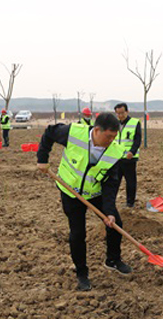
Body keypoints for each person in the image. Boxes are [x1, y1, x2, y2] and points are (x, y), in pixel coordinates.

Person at [36, 113, 132, 291]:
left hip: (95, 192)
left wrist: (109, 211)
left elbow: (111, 184)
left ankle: (113, 260)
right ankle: (82, 273)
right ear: (96, 131)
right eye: (108, 136)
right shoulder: (73, 133)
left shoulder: (115, 151)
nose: (111, 140)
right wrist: (42, 159)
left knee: (115, 223)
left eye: (114, 137)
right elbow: (49, 132)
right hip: (70, 191)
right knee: (78, 233)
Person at [114, 103, 142, 208]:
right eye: (118, 113)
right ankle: (112, 201)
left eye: (122, 113)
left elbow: (137, 140)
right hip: (117, 158)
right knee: (115, 181)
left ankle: (130, 203)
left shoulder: (134, 123)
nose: (120, 115)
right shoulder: (115, 124)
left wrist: (132, 152)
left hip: (129, 158)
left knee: (130, 181)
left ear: (127, 111)